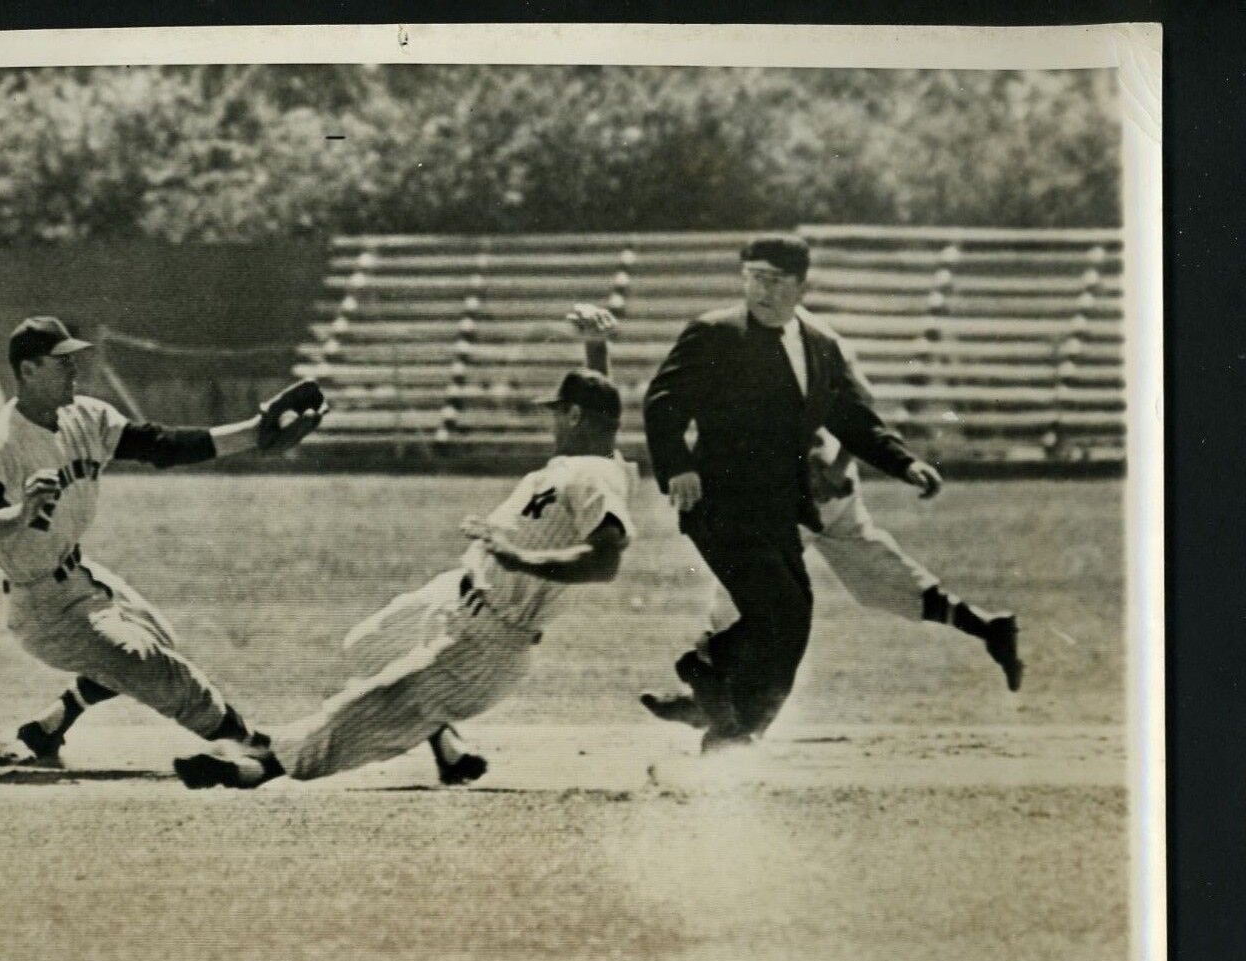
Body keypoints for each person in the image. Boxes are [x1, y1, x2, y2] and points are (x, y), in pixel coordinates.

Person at [171, 305, 636, 789]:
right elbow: (603, 414)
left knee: (375, 703)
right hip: (453, 600)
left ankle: (257, 766)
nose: (553, 422)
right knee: (368, 644)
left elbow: (605, 561)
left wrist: (519, 559)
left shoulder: (595, 475)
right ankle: (448, 751)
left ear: (576, 416)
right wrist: (595, 349)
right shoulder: (594, 459)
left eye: (559, 413)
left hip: (489, 641)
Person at [0, 316, 325, 765]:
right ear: (27, 371)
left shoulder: (85, 417)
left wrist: (253, 433)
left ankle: (49, 727)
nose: (74, 370)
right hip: (40, 604)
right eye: (61, 362)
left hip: (83, 578)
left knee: (155, 639)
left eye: (74, 361)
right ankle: (246, 743)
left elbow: (160, 445)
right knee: (142, 660)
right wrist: (18, 514)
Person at [639, 234, 956, 750]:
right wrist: (676, 467)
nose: (761, 290)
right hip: (718, 502)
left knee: (792, 618)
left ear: (802, 286)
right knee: (778, 612)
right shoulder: (714, 333)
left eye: (776, 280)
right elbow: (663, 403)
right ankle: (715, 688)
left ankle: (725, 715)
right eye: (753, 276)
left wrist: (905, 463)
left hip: (781, 508)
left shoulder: (820, 346)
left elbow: (853, 419)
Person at [640, 419, 1025, 733]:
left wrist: (830, 469)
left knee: (746, 599)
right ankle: (988, 627)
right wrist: (839, 469)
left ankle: (724, 715)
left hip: (803, 490)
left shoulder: (783, 344)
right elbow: (852, 412)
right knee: (882, 579)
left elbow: (849, 412)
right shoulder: (800, 344)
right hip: (827, 487)